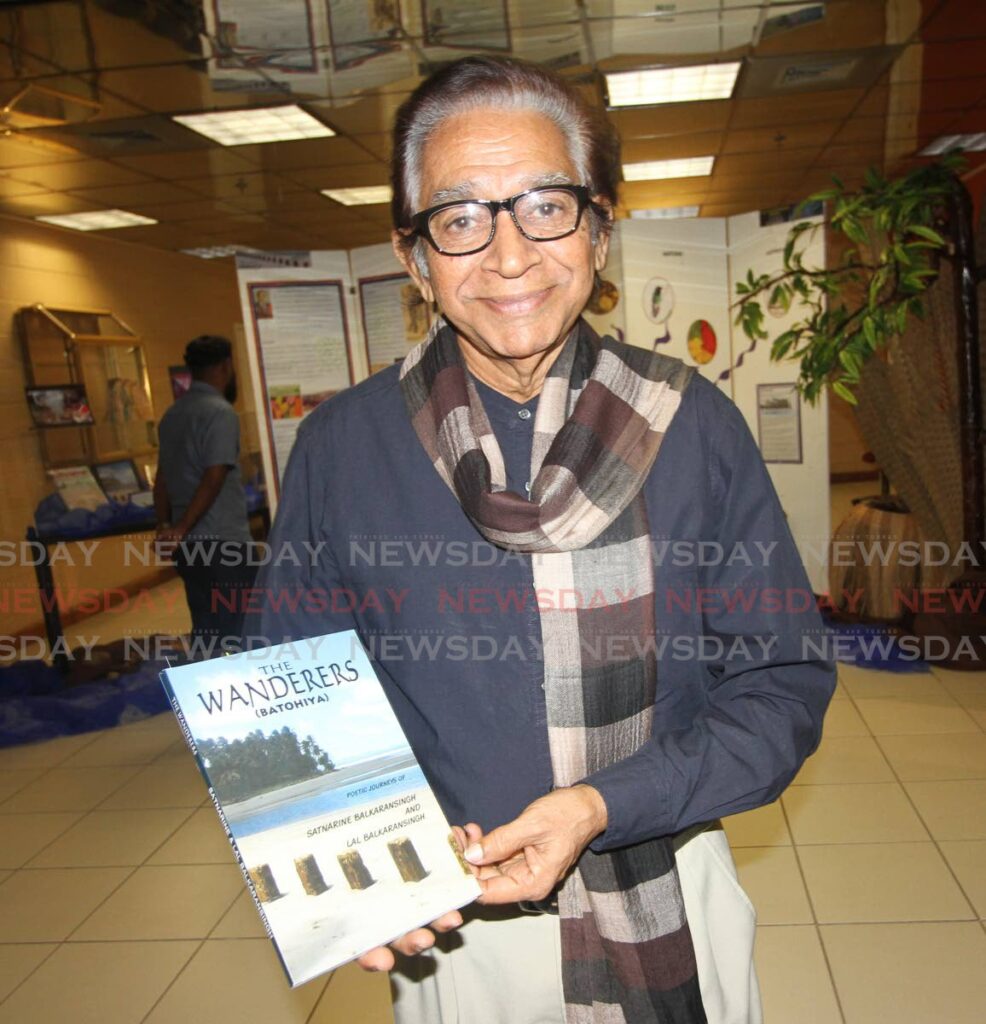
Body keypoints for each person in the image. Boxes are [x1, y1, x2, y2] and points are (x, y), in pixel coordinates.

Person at [246, 56, 836, 1024]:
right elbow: (289, 687)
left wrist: (605, 804)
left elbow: (780, 681)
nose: (508, 256)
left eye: (544, 207)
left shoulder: (692, 424)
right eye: (461, 217)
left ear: (599, 228)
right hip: (456, 916)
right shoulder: (343, 444)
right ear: (413, 256)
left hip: (665, 881)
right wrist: (342, 867)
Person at [155, 335, 255, 655]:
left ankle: (210, 694)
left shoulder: (172, 415)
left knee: (206, 626)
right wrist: (181, 526)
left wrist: (165, 527)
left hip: (189, 548)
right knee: (240, 626)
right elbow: (215, 474)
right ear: (226, 366)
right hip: (223, 543)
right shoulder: (220, 412)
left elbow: (161, 479)